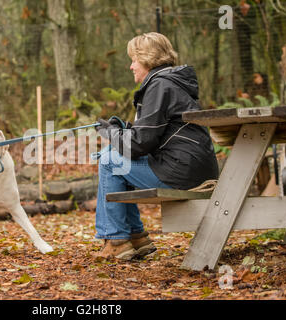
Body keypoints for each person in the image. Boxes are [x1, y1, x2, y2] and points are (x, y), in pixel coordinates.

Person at [94, 32, 219, 260]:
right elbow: (154, 135)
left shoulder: (159, 85)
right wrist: (120, 130)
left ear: (148, 59)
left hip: (180, 172)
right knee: (111, 157)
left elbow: (140, 144)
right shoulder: (171, 83)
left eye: (134, 60)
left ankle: (116, 240)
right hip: (195, 168)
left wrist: (110, 133)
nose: (131, 66)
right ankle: (136, 238)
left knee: (108, 160)